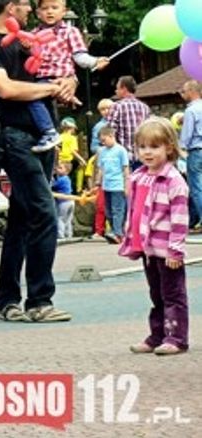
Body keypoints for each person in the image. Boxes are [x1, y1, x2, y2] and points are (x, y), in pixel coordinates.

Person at [0, 0, 76, 323]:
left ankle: (7, 299)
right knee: (43, 211)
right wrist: (50, 89)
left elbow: (54, 73)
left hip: (43, 135)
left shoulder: (28, 39)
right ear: (11, 7)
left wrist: (68, 82)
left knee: (22, 216)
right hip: (13, 135)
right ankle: (40, 300)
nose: (31, 10)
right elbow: (6, 89)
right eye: (26, 4)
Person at [119, 117, 189, 356]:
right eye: (142, 147)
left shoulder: (173, 180)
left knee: (173, 295)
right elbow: (136, 211)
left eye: (154, 146)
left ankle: (176, 337)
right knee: (156, 294)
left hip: (167, 250)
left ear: (169, 147)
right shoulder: (139, 177)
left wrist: (176, 249)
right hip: (149, 249)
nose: (147, 152)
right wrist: (131, 238)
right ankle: (157, 334)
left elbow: (180, 218)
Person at [24, 0, 109, 152]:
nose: (50, 12)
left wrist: (95, 61)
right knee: (39, 102)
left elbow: (80, 56)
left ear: (64, 11)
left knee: (32, 98)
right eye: (45, 8)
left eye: (54, 8)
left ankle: (49, 132)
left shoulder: (70, 32)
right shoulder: (33, 35)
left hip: (59, 76)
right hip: (39, 77)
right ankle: (51, 132)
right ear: (37, 13)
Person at [106, 76, 151, 168]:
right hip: (143, 155)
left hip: (124, 157)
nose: (115, 91)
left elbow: (110, 132)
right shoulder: (145, 107)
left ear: (124, 89)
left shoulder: (117, 106)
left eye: (117, 88)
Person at [96, 126, 130, 244]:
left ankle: (118, 233)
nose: (103, 143)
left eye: (104, 140)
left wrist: (127, 185)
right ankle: (116, 230)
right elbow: (101, 168)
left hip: (118, 184)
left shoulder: (121, 150)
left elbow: (125, 168)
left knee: (118, 210)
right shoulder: (102, 152)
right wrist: (98, 182)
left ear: (111, 136)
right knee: (108, 211)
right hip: (106, 185)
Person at [178, 80, 201, 232]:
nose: (183, 94)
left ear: (192, 91)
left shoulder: (191, 111)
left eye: (184, 91)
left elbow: (186, 135)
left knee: (197, 187)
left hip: (196, 151)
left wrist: (180, 148)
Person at [57, 117, 86, 191]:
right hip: (67, 162)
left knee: (59, 178)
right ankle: (78, 188)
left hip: (58, 161)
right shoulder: (72, 138)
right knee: (79, 167)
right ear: (72, 128)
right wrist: (82, 160)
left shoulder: (59, 137)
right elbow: (73, 152)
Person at [51, 161, 76, 239]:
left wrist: (51, 177)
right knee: (68, 219)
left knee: (60, 218)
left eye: (60, 168)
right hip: (71, 201)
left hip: (64, 202)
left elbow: (52, 186)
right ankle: (69, 234)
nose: (57, 169)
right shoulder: (67, 179)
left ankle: (60, 234)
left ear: (67, 171)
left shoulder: (62, 179)